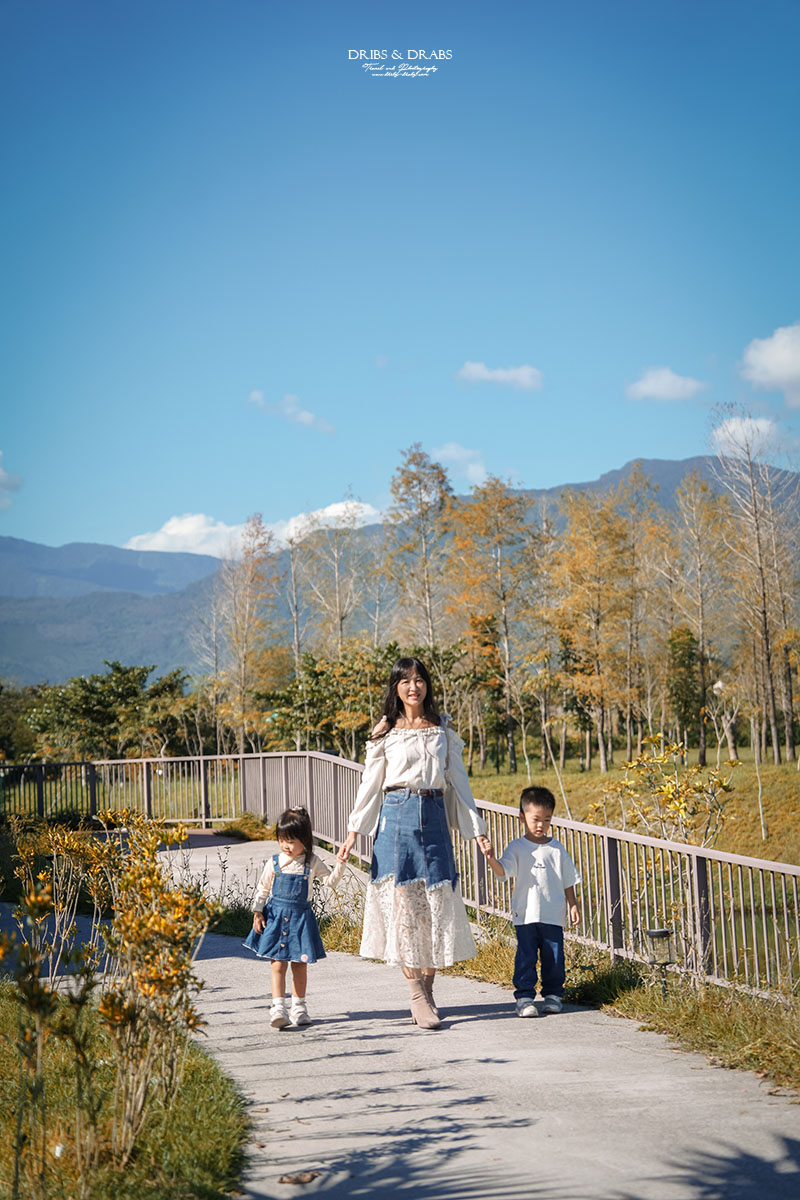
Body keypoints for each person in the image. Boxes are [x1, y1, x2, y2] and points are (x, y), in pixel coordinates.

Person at [337, 656, 486, 1030]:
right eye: (405, 681)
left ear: (427, 686)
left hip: (434, 816)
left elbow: (460, 784)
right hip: (396, 816)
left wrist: (476, 828)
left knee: (435, 906)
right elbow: (370, 785)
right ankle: (416, 993)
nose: (413, 687)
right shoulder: (385, 732)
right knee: (404, 909)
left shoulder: (442, 730)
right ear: (396, 688)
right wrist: (353, 831)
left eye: (419, 680)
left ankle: (430, 986)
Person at [477, 786, 580, 1018]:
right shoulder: (517, 847)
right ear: (522, 817)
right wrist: (491, 857)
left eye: (546, 819)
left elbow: (568, 878)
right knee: (526, 956)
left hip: (553, 914)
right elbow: (503, 872)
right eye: (535, 819)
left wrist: (572, 904)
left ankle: (553, 995)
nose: (541, 825)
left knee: (554, 956)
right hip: (525, 914)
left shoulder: (556, 848)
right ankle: (524, 998)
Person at [244, 806, 344, 1029]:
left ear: (305, 840)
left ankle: (299, 1007)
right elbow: (263, 888)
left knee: (300, 964)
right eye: (281, 839)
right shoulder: (275, 862)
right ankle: (278, 1007)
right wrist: (257, 912)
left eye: (290, 840)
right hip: (276, 918)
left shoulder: (312, 862)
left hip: (300, 921)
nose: (285, 846)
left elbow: (331, 882)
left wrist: (341, 864)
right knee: (277, 964)